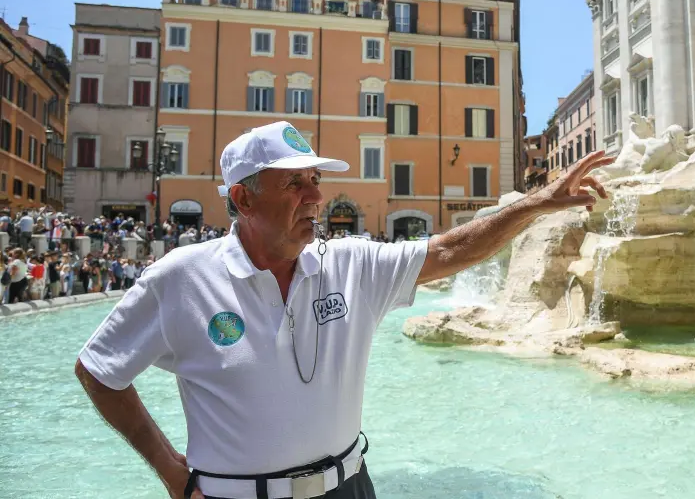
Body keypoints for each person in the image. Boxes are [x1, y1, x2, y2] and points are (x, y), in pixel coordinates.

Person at [74, 120, 613, 499]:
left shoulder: (350, 263)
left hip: (350, 490)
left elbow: (450, 250)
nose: (315, 197)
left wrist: (538, 203)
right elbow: (99, 370)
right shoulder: (180, 278)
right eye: (294, 183)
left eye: (316, 180)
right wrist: (171, 471)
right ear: (242, 199)